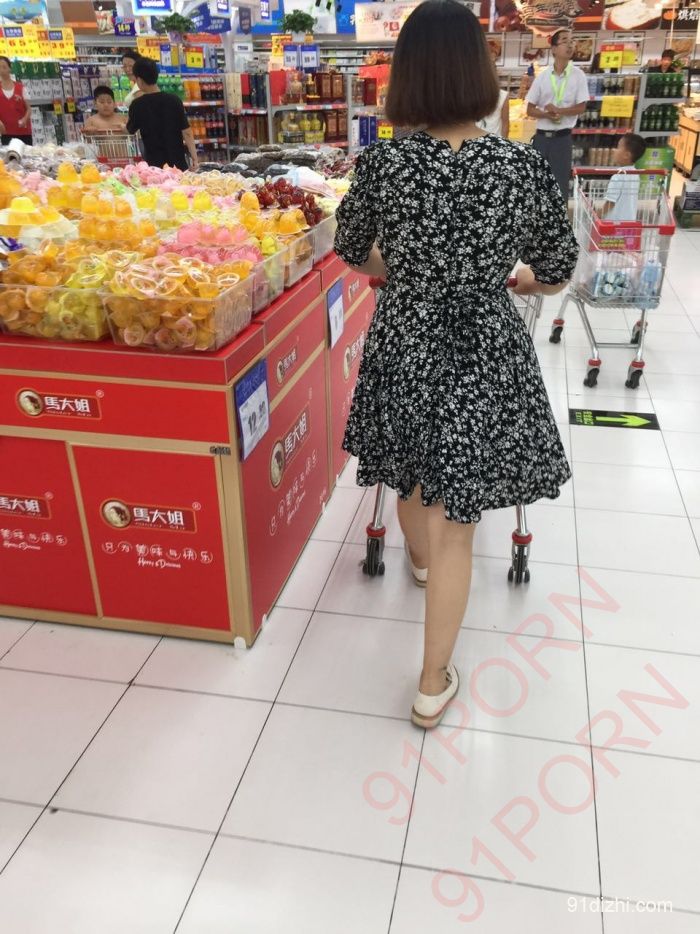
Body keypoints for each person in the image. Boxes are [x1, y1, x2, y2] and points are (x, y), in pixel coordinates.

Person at [333, 0, 578, 730]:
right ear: (482, 74)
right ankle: (431, 682)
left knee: (410, 465)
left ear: (406, 76)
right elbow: (556, 268)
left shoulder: (383, 164)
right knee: (458, 522)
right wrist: (516, 279)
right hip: (482, 347)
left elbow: (354, 251)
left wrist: (403, 269)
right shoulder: (519, 166)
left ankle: (416, 562)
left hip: (406, 336)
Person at [526, 28, 589, 197]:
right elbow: (529, 109)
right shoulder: (543, 77)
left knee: (560, 185)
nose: (570, 45)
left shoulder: (578, 76)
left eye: (572, 41)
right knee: (537, 185)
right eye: (565, 41)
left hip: (562, 139)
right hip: (541, 139)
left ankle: (558, 214)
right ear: (553, 49)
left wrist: (560, 111)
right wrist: (546, 114)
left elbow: (581, 107)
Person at [127, 58, 197, 171]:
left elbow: (130, 130)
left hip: (155, 167)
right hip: (177, 165)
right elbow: (187, 132)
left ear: (139, 80)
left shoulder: (137, 105)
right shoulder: (174, 100)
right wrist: (194, 158)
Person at [600, 133, 646, 221]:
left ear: (626, 155)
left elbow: (610, 203)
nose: (614, 150)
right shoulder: (635, 174)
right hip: (629, 221)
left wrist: (596, 214)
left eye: (618, 147)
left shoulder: (618, 176)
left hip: (614, 223)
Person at [0, 56, 32, 145]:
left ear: (9, 68)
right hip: (6, 133)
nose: (2, 70)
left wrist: (25, 119)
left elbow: (29, 109)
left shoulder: (20, 87)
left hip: (24, 133)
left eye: (4, 67)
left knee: (26, 154)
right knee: (9, 153)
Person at [478, 48, 509, 137]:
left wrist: (503, 142)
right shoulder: (472, 94)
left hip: (494, 139)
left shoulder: (502, 95)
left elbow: (505, 124)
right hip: (477, 139)